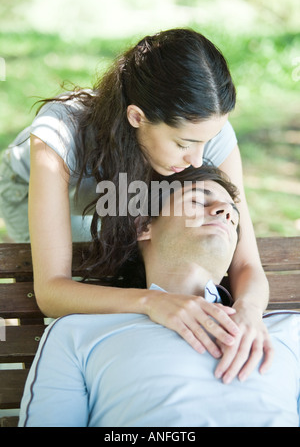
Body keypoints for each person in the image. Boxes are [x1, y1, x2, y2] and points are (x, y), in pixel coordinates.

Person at [0, 28, 270, 375]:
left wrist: (249, 310)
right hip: (51, 190)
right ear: (137, 117)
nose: (199, 160)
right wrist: (153, 302)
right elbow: (51, 290)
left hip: (134, 182)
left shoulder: (202, 137)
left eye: (209, 140)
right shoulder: (60, 133)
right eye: (184, 143)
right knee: (70, 296)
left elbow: (248, 264)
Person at [18, 166, 299, 427]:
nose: (226, 211)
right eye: (199, 201)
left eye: (233, 216)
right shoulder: (76, 333)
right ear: (143, 226)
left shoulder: (290, 332)